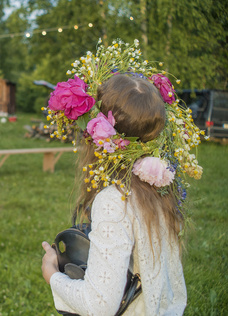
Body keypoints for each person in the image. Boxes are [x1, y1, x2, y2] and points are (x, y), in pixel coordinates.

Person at [41, 39, 203, 315]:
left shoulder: (115, 200)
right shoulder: (161, 185)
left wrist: (53, 274)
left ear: (97, 133)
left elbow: (99, 306)